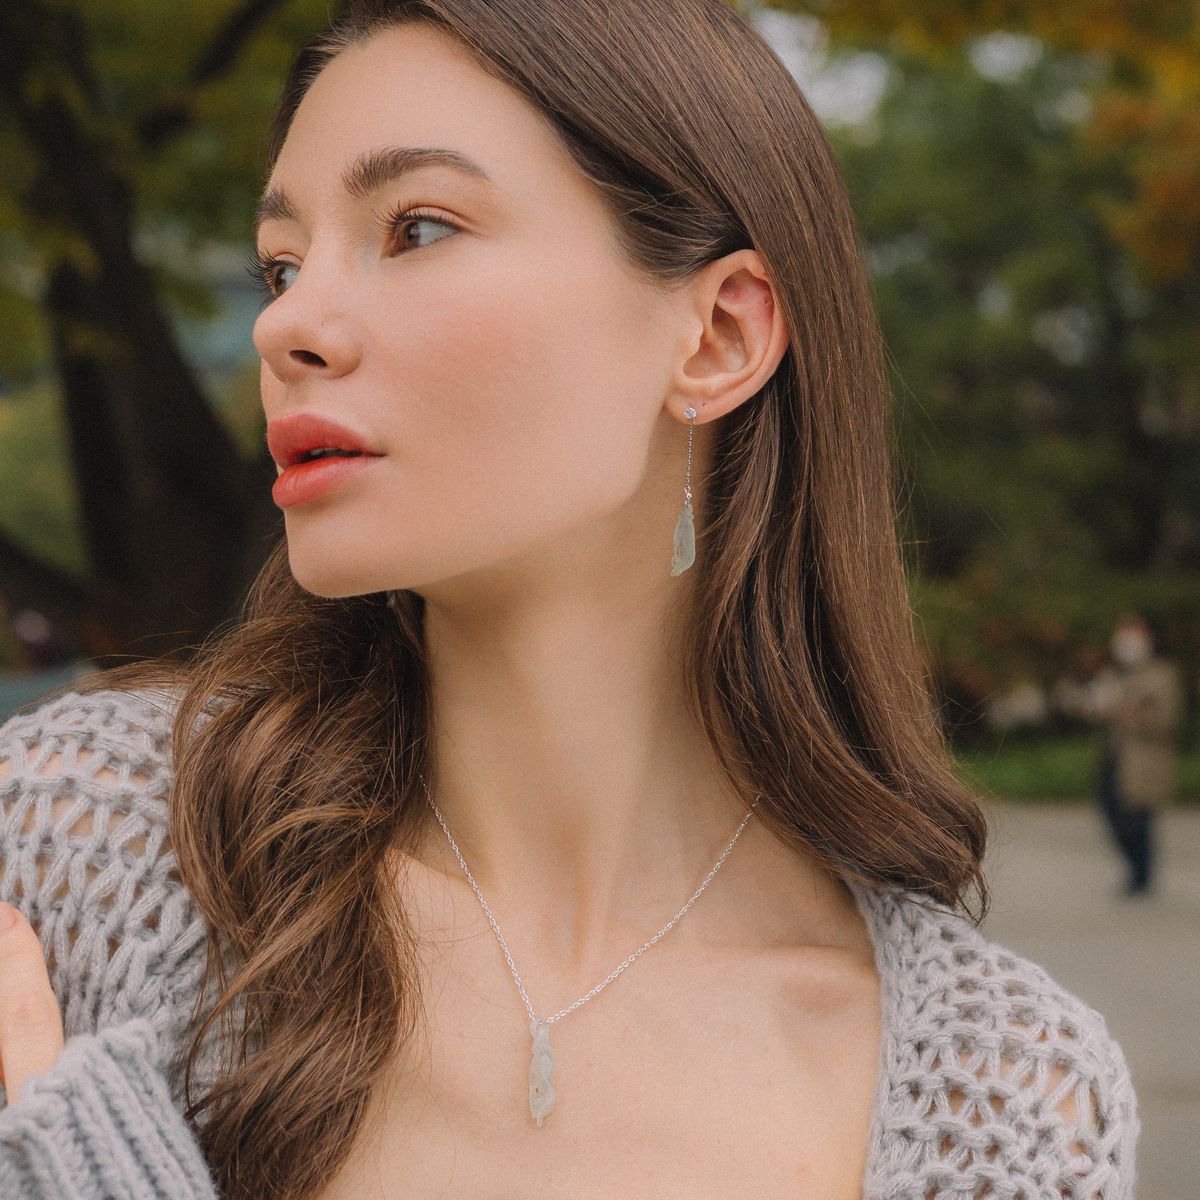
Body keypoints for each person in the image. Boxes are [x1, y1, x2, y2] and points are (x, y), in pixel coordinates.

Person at [0, 2, 1136, 1197]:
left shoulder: (1007, 1102)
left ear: (716, 336)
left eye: (417, 226)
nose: (287, 322)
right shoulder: (84, 851)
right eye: (281, 263)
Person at [1094, 614, 1183, 895]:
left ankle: (1141, 876)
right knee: (1109, 809)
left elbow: (1168, 718)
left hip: (1144, 761)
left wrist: (1136, 716)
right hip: (1115, 759)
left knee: (1138, 819)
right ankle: (1136, 869)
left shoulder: (1163, 673)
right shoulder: (1120, 672)